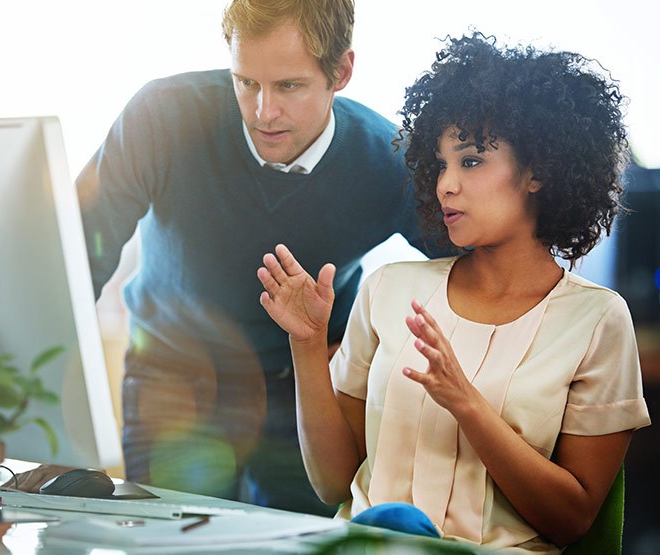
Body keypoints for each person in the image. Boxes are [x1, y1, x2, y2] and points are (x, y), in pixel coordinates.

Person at [9, 0, 440, 516]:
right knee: (169, 540)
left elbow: (478, 266)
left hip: (301, 388)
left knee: (295, 543)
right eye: (246, 82)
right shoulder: (162, 116)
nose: (264, 112)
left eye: (289, 86)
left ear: (341, 72)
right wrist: (57, 441)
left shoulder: (388, 161)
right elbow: (74, 264)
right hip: (173, 377)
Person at [256, 32, 651, 551]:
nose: (445, 184)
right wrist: (308, 344)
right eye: (440, 164)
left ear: (538, 171)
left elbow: (573, 519)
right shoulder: (390, 289)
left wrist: (467, 403)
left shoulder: (597, 320)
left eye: (470, 161)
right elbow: (332, 483)